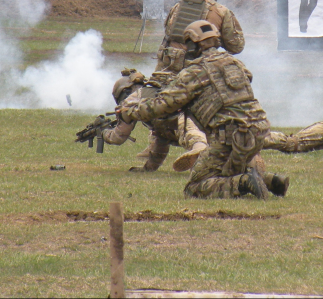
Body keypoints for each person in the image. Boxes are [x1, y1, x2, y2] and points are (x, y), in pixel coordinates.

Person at [118, 20, 289, 199]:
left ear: (193, 45)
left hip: (231, 135)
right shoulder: (235, 63)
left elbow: (163, 104)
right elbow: (248, 77)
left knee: (195, 187)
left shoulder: (195, 71)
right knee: (224, 170)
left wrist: (129, 112)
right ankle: (271, 181)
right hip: (259, 129)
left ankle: (244, 182)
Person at [134, 0, 245, 166]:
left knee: (162, 107)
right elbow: (236, 46)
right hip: (199, 71)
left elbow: (168, 36)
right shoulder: (221, 12)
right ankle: (203, 146)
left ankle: (156, 147)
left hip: (167, 70)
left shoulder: (177, 7)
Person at [101, 68, 207, 173]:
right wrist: (149, 167)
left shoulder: (132, 100)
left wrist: (104, 132)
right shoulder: (159, 91)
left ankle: (200, 150)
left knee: (194, 137)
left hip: (186, 121)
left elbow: (118, 137)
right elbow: (161, 138)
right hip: (204, 115)